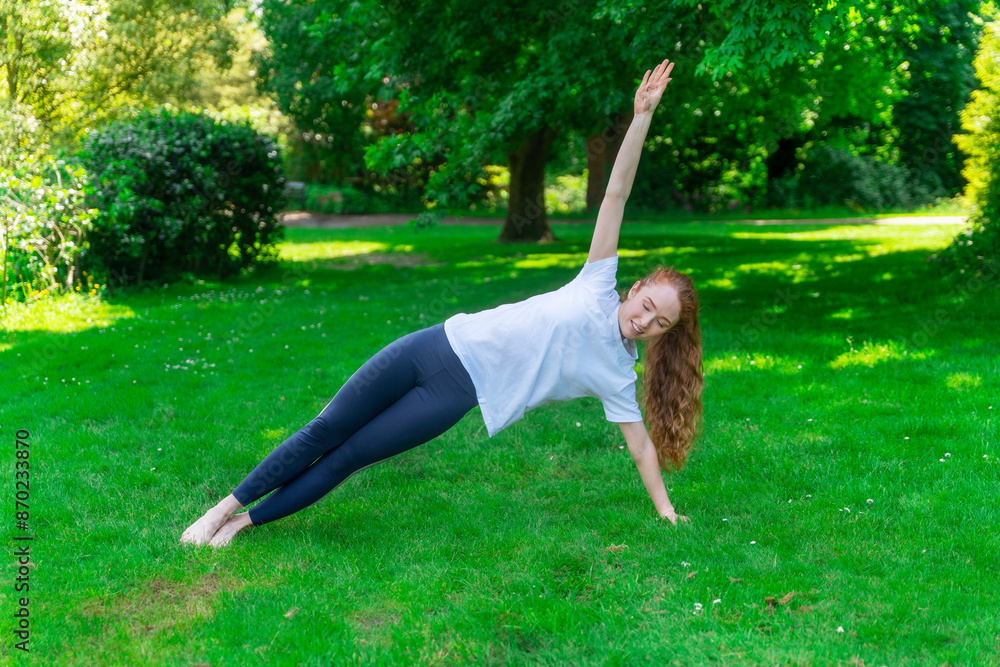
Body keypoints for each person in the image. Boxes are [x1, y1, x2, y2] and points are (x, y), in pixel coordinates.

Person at [181, 58, 703, 548]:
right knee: (326, 429)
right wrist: (641, 118)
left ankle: (243, 523)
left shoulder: (616, 373)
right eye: (648, 305)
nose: (646, 321)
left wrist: (665, 511)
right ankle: (220, 508)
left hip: (455, 395)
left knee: (351, 456)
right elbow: (615, 195)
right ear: (635, 289)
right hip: (434, 345)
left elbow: (639, 447)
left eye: (661, 323)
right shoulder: (596, 283)